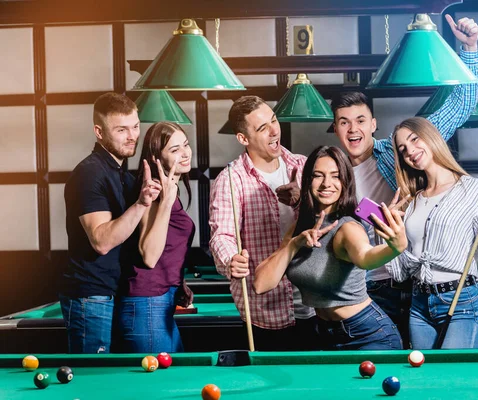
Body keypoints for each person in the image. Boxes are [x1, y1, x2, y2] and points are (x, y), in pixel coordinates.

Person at [330, 15, 478, 348]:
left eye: (359, 120)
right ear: (336, 128)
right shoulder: (332, 174)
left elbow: (460, 105)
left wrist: (469, 49)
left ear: (373, 124)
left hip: (406, 285)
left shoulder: (401, 150)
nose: (352, 129)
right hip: (360, 289)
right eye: (343, 122)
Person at [254, 146, 408, 350]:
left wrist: (395, 247)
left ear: (346, 182)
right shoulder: (300, 227)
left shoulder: (347, 227)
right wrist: (294, 245)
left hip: (369, 334)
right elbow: (261, 284)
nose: (327, 183)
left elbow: (365, 257)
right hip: (325, 333)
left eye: (336, 176)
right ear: (308, 181)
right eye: (318, 176)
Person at [389, 117, 478, 349]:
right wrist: (389, 232)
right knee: (427, 383)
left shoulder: (473, 189)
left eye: (415, 139)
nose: (410, 151)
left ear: (432, 137)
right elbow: (399, 273)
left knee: (452, 381)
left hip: (462, 303)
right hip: (419, 306)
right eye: (403, 149)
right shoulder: (413, 202)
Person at [209, 96, 318, 350]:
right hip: (266, 310)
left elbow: (331, 218)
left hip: (314, 305)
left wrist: (302, 200)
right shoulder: (231, 179)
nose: (274, 131)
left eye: (274, 120)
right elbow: (222, 236)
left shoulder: (303, 167)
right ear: (243, 139)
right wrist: (231, 260)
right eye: (262, 128)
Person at [59, 92, 161, 354]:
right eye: (121, 129)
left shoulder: (120, 173)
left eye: (136, 126)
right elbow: (101, 241)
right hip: (90, 296)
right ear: (99, 132)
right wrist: (141, 203)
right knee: (91, 380)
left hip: (113, 292)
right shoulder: (89, 174)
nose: (132, 136)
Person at [116, 122, 195, 353]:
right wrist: (167, 202)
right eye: (174, 150)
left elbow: (165, 246)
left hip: (160, 302)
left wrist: (178, 282)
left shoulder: (169, 191)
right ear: (156, 158)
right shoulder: (154, 191)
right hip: (146, 304)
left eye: (186, 145)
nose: (185, 153)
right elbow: (149, 256)